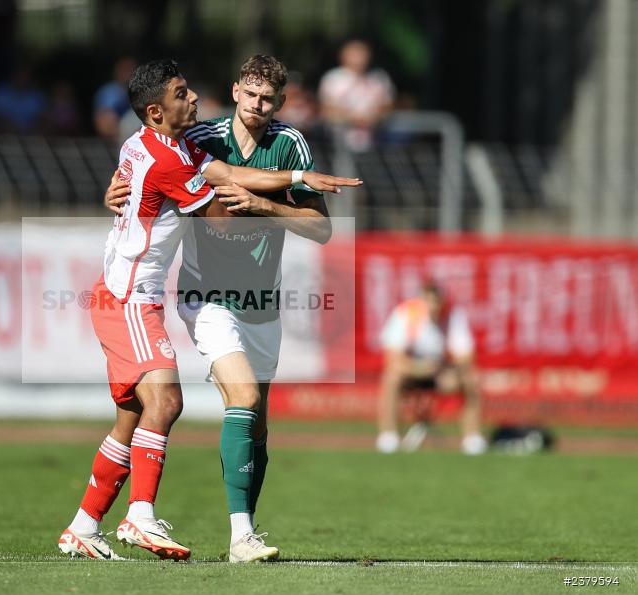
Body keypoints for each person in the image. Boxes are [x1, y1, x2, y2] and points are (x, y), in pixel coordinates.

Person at [59, 59, 361, 562]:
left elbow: (239, 185)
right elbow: (216, 216)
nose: (194, 97)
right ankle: (147, 518)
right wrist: (263, 201)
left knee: (148, 416)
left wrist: (291, 182)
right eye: (183, 92)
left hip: (254, 298)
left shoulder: (181, 142)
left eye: (268, 98)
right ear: (237, 90)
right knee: (170, 402)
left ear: (280, 102)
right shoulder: (188, 143)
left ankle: (83, 524)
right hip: (162, 295)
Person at [375, 283, 487, 455]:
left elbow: (466, 355)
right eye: (429, 302)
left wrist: (449, 368)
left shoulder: (453, 316)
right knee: (392, 378)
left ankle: (472, 438)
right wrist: (419, 368)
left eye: (437, 302)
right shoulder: (406, 314)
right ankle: (388, 436)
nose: (434, 307)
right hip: (412, 372)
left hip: (441, 372)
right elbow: (393, 358)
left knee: (470, 379)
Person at [318, 38, 394, 152]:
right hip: (340, 144)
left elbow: (387, 105)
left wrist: (372, 117)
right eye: (355, 54)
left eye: (362, 54)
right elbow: (326, 108)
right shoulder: (332, 79)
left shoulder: (379, 77)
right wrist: (355, 119)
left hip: (375, 144)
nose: (360, 59)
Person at [93, 57, 137, 141]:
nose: (128, 74)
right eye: (125, 70)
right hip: (118, 141)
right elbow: (103, 122)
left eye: (131, 70)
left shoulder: (141, 92)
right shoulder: (110, 92)